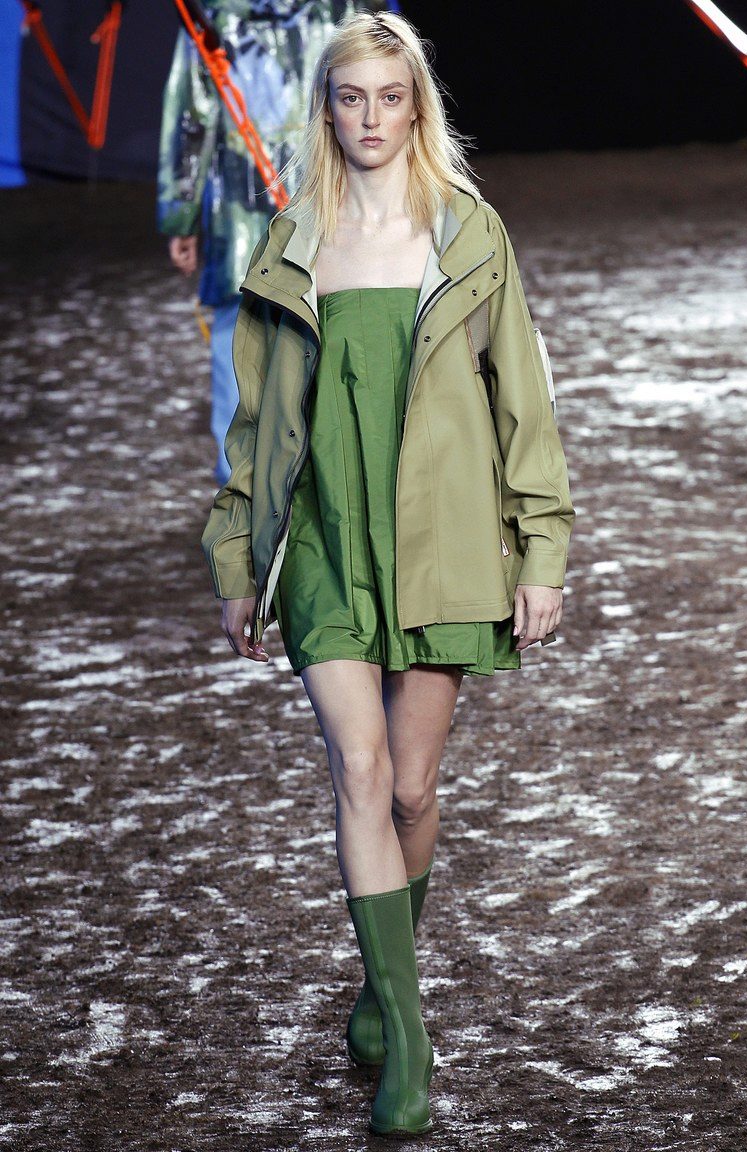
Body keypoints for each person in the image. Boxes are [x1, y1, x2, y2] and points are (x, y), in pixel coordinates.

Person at [201, 9, 575, 1137]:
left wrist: (542, 551)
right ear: (326, 111)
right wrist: (238, 556)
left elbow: (524, 403)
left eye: (390, 97)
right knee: (359, 772)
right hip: (326, 541)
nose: (370, 117)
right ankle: (408, 1037)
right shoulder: (292, 240)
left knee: (412, 789)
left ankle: (382, 979)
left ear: (418, 108)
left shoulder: (467, 235)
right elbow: (257, 422)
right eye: (350, 98)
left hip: (441, 542)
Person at [157, 0, 369, 486]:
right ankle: (320, 482)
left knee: (241, 349)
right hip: (319, 209)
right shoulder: (338, 9)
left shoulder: (211, 16)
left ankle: (244, 488)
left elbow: (192, 124)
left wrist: (181, 217)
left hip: (247, 217)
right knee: (324, 336)